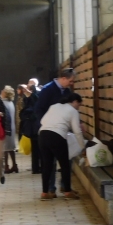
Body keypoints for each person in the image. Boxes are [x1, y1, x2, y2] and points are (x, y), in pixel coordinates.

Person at [34, 68, 76, 196]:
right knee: (49, 162)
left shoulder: (67, 91)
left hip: (62, 131)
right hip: (49, 130)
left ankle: (64, 185)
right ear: (63, 78)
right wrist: (46, 123)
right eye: (70, 80)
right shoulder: (48, 90)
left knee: (66, 159)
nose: (72, 83)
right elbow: (39, 109)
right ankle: (51, 188)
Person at [39, 91, 83, 201]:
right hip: (57, 137)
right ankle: (67, 191)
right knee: (65, 165)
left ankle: (45, 193)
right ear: (75, 101)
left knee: (47, 165)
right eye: (79, 105)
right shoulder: (73, 111)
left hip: (43, 135)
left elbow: (42, 120)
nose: (78, 108)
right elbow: (77, 131)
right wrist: (83, 147)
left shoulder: (54, 106)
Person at [19, 84, 41, 174]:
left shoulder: (35, 97)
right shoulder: (27, 99)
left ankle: (36, 168)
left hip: (34, 127)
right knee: (36, 149)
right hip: (35, 128)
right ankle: (36, 168)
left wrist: (30, 95)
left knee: (36, 149)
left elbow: (37, 102)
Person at [0, 85, 18, 173]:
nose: (1, 91)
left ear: (6, 93)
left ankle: (6, 166)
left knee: (5, 148)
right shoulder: (11, 103)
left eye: (3, 90)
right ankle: (14, 165)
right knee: (11, 147)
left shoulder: (2, 103)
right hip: (12, 127)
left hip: (5, 127)